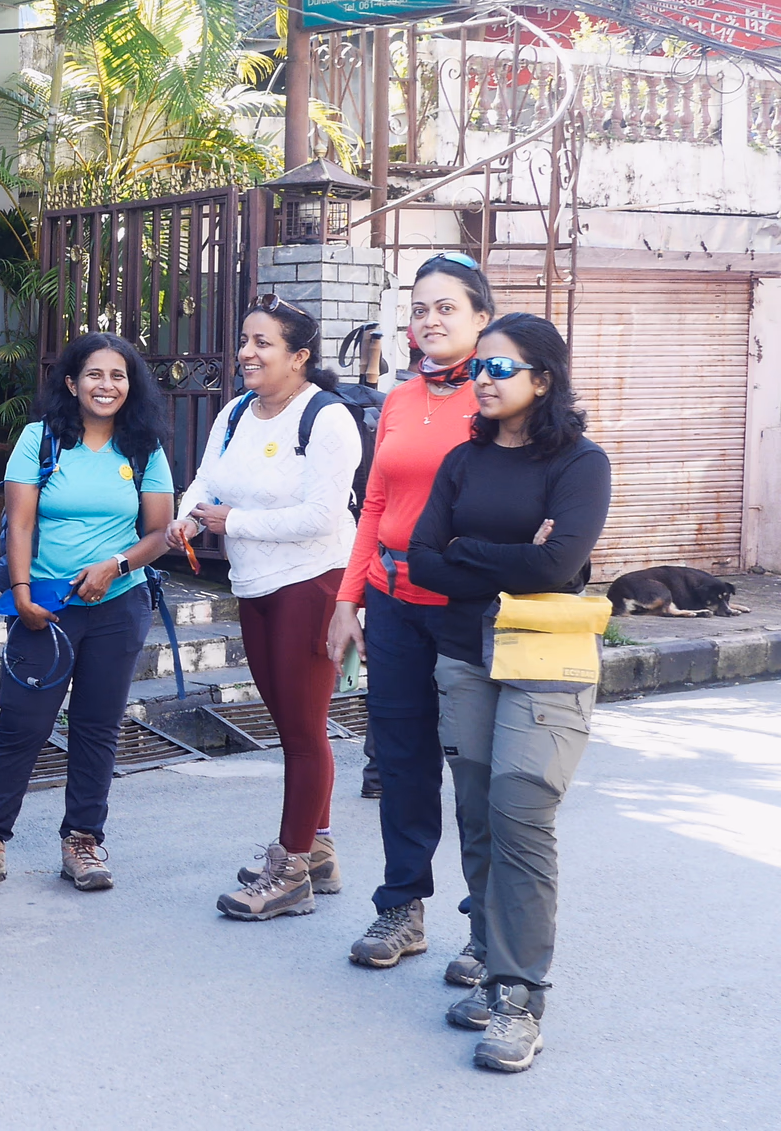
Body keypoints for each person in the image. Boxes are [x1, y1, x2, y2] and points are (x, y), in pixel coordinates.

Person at [407, 312, 610, 1073]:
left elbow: (558, 567)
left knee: (521, 814)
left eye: (500, 368)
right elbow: (422, 561)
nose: (482, 380)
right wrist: (508, 556)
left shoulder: (581, 464)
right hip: (465, 654)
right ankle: (492, 961)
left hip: (546, 661)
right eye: (478, 369)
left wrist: (468, 551)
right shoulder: (463, 461)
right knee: (478, 815)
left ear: (543, 380)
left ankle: (520, 999)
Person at [0, 333, 173, 895]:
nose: (107, 386)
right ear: (72, 384)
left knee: (97, 726)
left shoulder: (143, 447)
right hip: (44, 607)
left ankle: (82, 840)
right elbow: (20, 523)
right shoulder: (40, 439)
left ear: (131, 385)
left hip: (119, 604)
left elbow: (158, 534)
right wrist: (23, 593)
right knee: (21, 724)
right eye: (94, 375)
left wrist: (115, 567)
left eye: (118, 376)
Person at [166, 295, 360, 923]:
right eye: (245, 340)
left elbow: (323, 516)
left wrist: (233, 522)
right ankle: (318, 849)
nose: (246, 353)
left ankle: (291, 869)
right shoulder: (235, 413)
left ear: (299, 357)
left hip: (312, 582)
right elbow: (206, 480)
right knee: (290, 723)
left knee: (303, 731)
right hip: (252, 583)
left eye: (262, 343)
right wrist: (189, 518)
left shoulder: (326, 419)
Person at [328, 253, 495, 974]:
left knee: (477, 767)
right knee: (401, 760)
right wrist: (348, 598)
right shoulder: (397, 398)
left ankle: (489, 925)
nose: (430, 321)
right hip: (393, 604)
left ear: (481, 317)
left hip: (467, 607)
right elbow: (375, 503)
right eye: (420, 309)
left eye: (446, 308)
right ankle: (402, 906)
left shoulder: (497, 396)